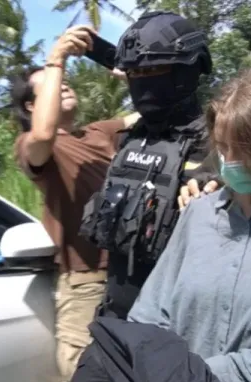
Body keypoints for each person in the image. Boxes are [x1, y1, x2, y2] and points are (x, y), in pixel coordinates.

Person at [67, 67, 251, 382]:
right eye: (223, 147)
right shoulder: (199, 214)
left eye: (244, 150)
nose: (230, 161)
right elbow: (149, 317)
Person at [10, 25, 140, 382]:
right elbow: (43, 134)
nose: (64, 83)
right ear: (32, 107)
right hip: (86, 283)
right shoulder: (33, 147)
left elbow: (155, 113)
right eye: (53, 83)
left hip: (135, 272)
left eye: (66, 80)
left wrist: (132, 76)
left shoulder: (101, 132)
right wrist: (57, 59)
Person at [79, 11, 216, 320]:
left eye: (153, 69)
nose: (142, 82)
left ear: (186, 70)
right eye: (135, 74)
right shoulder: (133, 137)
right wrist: (96, 50)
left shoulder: (220, 143)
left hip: (175, 328)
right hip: (115, 320)